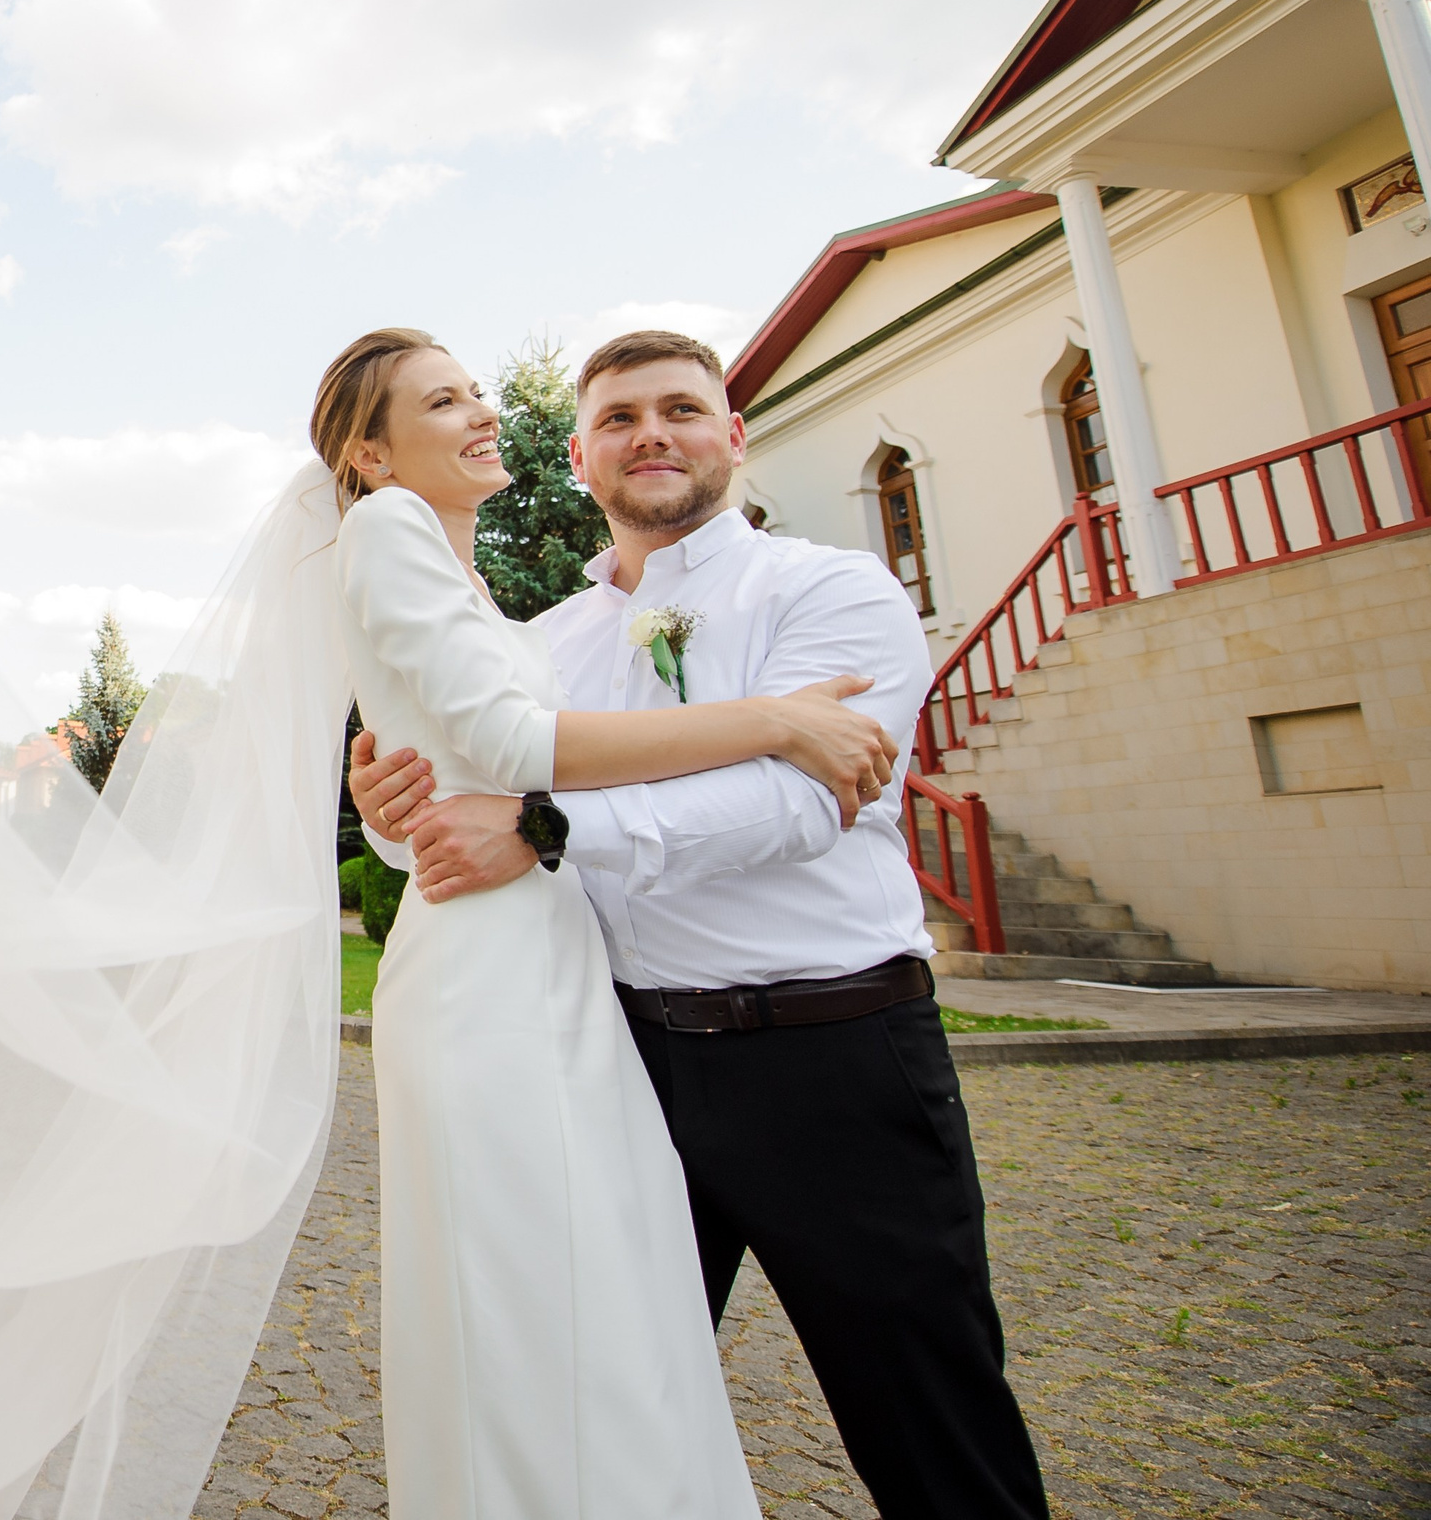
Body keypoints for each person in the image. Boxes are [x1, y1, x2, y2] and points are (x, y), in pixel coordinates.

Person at [350, 329, 1052, 1520]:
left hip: (827, 1057)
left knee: (930, 1425)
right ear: (578, 457)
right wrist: (388, 814)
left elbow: (805, 798)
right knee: (610, 1397)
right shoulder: (551, 639)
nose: (651, 435)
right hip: (618, 1063)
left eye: (680, 409)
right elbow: (478, 797)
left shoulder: (828, 588)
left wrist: (550, 828)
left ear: (733, 435)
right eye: (619, 419)